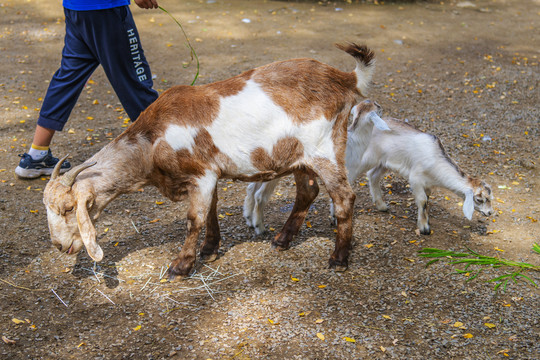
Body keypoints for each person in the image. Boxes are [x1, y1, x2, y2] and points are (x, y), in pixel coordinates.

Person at [15, 0, 160, 179]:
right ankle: (170, 148)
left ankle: (36, 155)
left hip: (77, 8)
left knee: (68, 78)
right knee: (135, 79)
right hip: (105, 9)